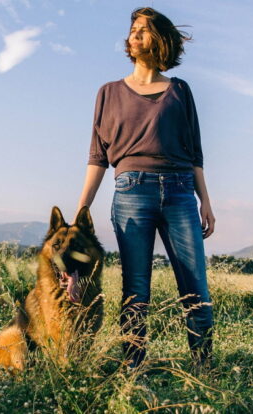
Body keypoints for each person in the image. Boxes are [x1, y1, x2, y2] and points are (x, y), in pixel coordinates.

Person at [76, 7, 215, 369]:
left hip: (181, 191)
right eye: (132, 29)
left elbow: (195, 150)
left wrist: (206, 201)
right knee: (136, 289)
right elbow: (98, 156)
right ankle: (132, 368)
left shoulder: (180, 91)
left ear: (161, 39)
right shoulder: (108, 92)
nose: (134, 34)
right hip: (131, 191)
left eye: (144, 29)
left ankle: (204, 366)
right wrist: (82, 210)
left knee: (195, 285)